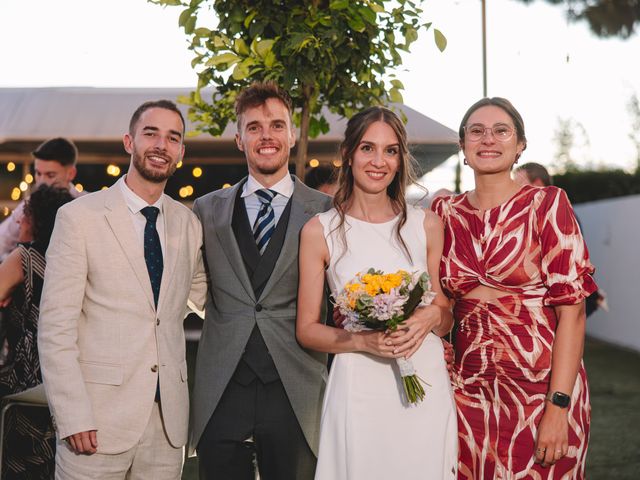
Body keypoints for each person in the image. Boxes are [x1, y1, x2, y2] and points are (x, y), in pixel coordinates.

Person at [37, 100, 207, 479]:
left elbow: (206, 297)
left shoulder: (187, 223)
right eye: (151, 134)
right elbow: (55, 327)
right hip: (95, 424)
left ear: (181, 152)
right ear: (129, 141)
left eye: (173, 137)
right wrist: (72, 414)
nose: (161, 145)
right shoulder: (79, 218)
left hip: (167, 427)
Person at [432, 98, 596, 479]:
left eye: (501, 130)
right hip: (466, 395)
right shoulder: (443, 215)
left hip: (541, 392)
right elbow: (439, 309)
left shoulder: (547, 205)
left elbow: (572, 311)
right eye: (477, 131)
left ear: (520, 144)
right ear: (463, 147)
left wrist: (558, 406)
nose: (488, 139)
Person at [296, 106, 458, 479]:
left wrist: (433, 314)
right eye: (368, 148)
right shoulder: (320, 231)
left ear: (401, 160)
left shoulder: (427, 225)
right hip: (359, 387)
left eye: (390, 150)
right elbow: (306, 329)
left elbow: (446, 316)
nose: (378, 161)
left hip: (426, 383)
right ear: (348, 154)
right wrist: (364, 342)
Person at [190, 81, 332, 480]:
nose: (266, 135)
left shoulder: (326, 211)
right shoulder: (206, 210)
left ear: (292, 134)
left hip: (296, 384)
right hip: (222, 386)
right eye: (254, 127)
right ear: (239, 139)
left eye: (275, 125)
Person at [0, 185, 74, 479]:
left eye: (25, 213)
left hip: (25, 375)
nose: (18, 220)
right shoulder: (68, 259)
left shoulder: (24, 258)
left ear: (39, 219)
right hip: (63, 373)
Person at [515, 161, 607, 317]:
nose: (515, 192)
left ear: (537, 184)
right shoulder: (536, 216)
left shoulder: (559, 217)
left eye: (519, 185)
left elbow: (566, 270)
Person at [0, 137, 83, 261]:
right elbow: (3, 240)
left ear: (71, 173)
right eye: (38, 173)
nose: (42, 182)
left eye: (50, 175)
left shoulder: (85, 205)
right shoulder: (29, 204)